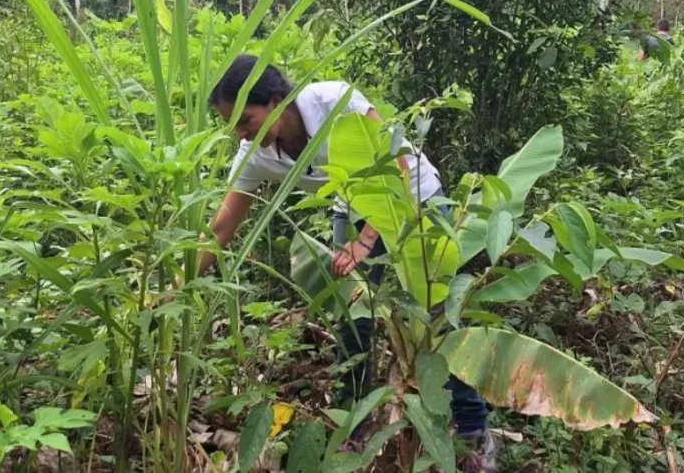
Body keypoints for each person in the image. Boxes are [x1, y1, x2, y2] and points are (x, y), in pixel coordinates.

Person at [199, 54, 497, 471]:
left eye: (245, 120)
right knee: (351, 314)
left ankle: (472, 431)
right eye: (232, 125)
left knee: (438, 318)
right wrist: (180, 279)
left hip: (415, 200)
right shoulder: (255, 153)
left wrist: (365, 241)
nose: (240, 134)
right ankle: (355, 430)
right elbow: (222, 226)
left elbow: (395, 165)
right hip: (352, 211)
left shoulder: (333, 101)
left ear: (277, 102)